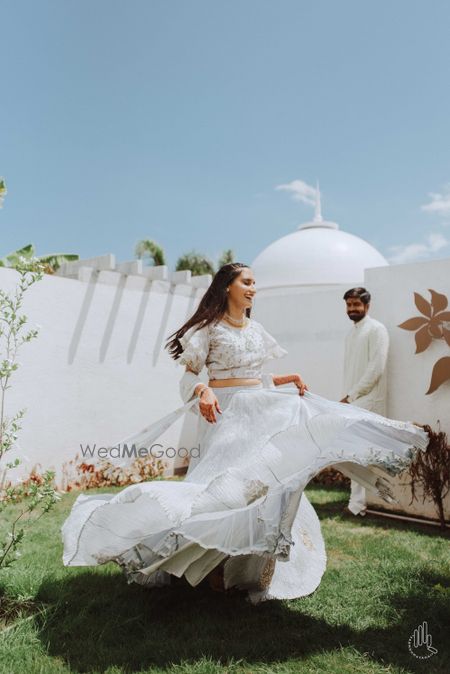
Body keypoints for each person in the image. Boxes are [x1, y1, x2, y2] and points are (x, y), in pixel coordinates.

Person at [61, 263, 429, 604]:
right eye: (248, 282)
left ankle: (244, 574)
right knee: (223, 493)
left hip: (262, 412)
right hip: (227, 417)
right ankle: (201, 566)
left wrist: (282, 379)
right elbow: (191, 375)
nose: (254, 289)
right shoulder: (208, 329)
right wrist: (202, 390)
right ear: (227, 287)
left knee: (266, 490)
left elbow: (254, 377)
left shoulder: (256, 330)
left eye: (255, 283)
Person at [340, 287, 389, 517]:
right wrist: (348, 397)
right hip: (353, 401)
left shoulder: (376, 330)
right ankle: (356, 504)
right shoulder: (352, 333)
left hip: (368, 401)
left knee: (359, 453)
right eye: (349, 305)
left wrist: (352, 396)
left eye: (356, 305)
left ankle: (358, 505)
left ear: (367, 306)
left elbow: (376, 369)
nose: (352, 309)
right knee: (353, 453)